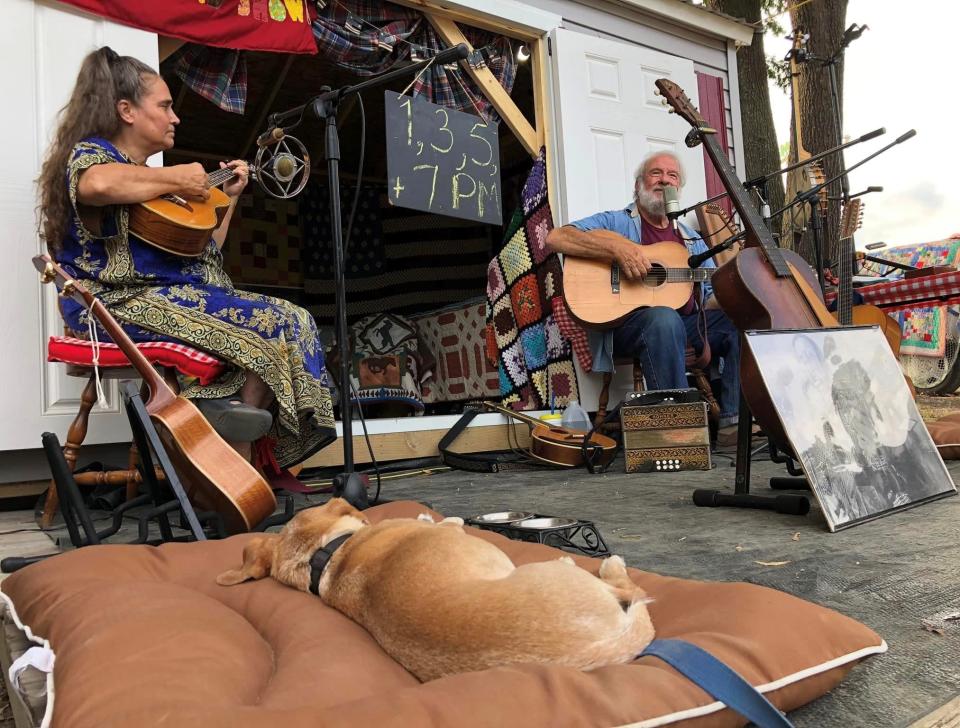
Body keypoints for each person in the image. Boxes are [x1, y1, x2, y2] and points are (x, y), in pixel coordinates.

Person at [36, 46, 336, 468]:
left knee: (291, 319)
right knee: (275, 322)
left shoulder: (152, 183)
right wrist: (177, 174)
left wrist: (226, 198)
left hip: (166, 298)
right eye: (165, 106)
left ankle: (225, 448)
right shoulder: (93, 156)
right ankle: (228, 460)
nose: (175, 117)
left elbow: (204, 247)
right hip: (112, 308)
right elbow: (96, 185)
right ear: (127, 110)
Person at [545, 151, 741, 428]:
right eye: (656, 173)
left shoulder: (691, 239)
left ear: (679, 189)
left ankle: (734, 422)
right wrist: (616, 249)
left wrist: (735, 291)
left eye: (672, 176)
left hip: (684, 324)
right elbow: (556, 238)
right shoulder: (617, 222)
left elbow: (709, 296)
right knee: (663, 317)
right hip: (625, 327)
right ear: (638, 185)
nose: (664, 181)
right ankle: (676, 425)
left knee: (739, 320)